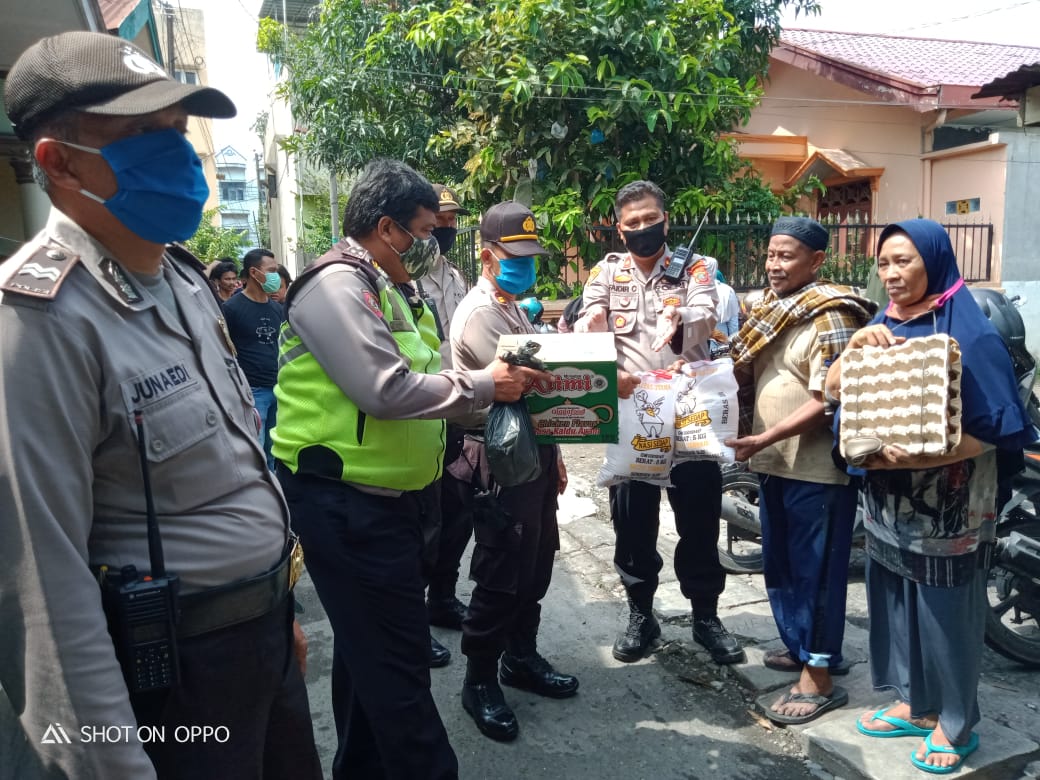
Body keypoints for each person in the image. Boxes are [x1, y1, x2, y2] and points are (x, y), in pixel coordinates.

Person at [0, 31, 321, 779]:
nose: (174, 154)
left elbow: (238, 468)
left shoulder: (180, 280)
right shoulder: (36, 320)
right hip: (172, 676)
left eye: (176, 131)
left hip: (261, 641)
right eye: (141, 135)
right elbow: (41, 589)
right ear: (57, 162)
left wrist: (282, 616)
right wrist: (108, 762)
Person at [271, 159, 543, 779]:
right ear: (388, 227)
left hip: (392, 502)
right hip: (348, 505)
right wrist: (484, 385)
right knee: (399, 673)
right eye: (427, 229)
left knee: (369, 660)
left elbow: (426, 373)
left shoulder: (391, 287)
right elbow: (386, 390)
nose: (435, 243)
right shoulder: (339, 287)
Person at [824, 219, 1035, 773]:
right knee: (894, 595)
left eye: (904, 261)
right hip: (887, 496)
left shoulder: (970, 329)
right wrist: (851, 353)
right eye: (884, 263)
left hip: (950, 502)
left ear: (934, 261)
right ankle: (915, 704)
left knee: (946, 610)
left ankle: (957, 723)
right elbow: (829, 390)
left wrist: (922, 458)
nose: (891, 275)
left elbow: (996, 425)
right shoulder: (884, 322)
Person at [574, 180, 743, 665]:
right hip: (633, 414)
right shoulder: (606, 272)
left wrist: (681, 317)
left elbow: (706, 310)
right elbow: (593, 321)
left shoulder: (695, 267)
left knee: (698, 520)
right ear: (619, 229)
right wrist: (595, 340)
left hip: (689, 413)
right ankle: (640, 614)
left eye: (651, 220)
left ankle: (706, 617)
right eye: (632, 224)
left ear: (665, 221)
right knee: (632, 522)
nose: (643, 230)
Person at [726, 217, 876, 725]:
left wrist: (764, 436)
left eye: (786, 256)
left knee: (817, 574)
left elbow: (830, 400)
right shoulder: (772, 309)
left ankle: (819, 678)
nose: (774, 265)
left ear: (816, 261)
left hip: (816, 470)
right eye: (770, 254)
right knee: (783, 566)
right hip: (774, 465)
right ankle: (802, 647)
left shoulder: (833, 315)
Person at [449, 202, 578, 743]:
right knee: (502, 571)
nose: (525, 265)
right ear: (486, 256)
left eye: (531, 256)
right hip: (500, 458)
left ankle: (519, 656)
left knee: (537, 561)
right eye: (514, 256)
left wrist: (559, 454)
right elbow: (522, 387)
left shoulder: (515, 309)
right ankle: (480, 677)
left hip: (533, 454)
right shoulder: (481, 313)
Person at [418, 184, 471, 665]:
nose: (448, 228)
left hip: (459, 415)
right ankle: (413, 622)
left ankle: (443, 598)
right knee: (425, 523)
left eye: (453, 220)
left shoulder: (454, 276)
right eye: (440, 220)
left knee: (457, 516)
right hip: (424, 413)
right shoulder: (403, 278)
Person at [223, 247, 283, 470]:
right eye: (271, 270)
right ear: (255, 273)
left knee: (274, 452)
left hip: (279, 389)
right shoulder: (231, 309)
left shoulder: (277, 309)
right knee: (255, 454)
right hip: (252, 392)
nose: (275, 276)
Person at [714, 269, 740, 337]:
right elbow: (733, 322)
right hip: (721, 336)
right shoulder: (728, 289)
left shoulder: (696, 288)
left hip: (716, 322)